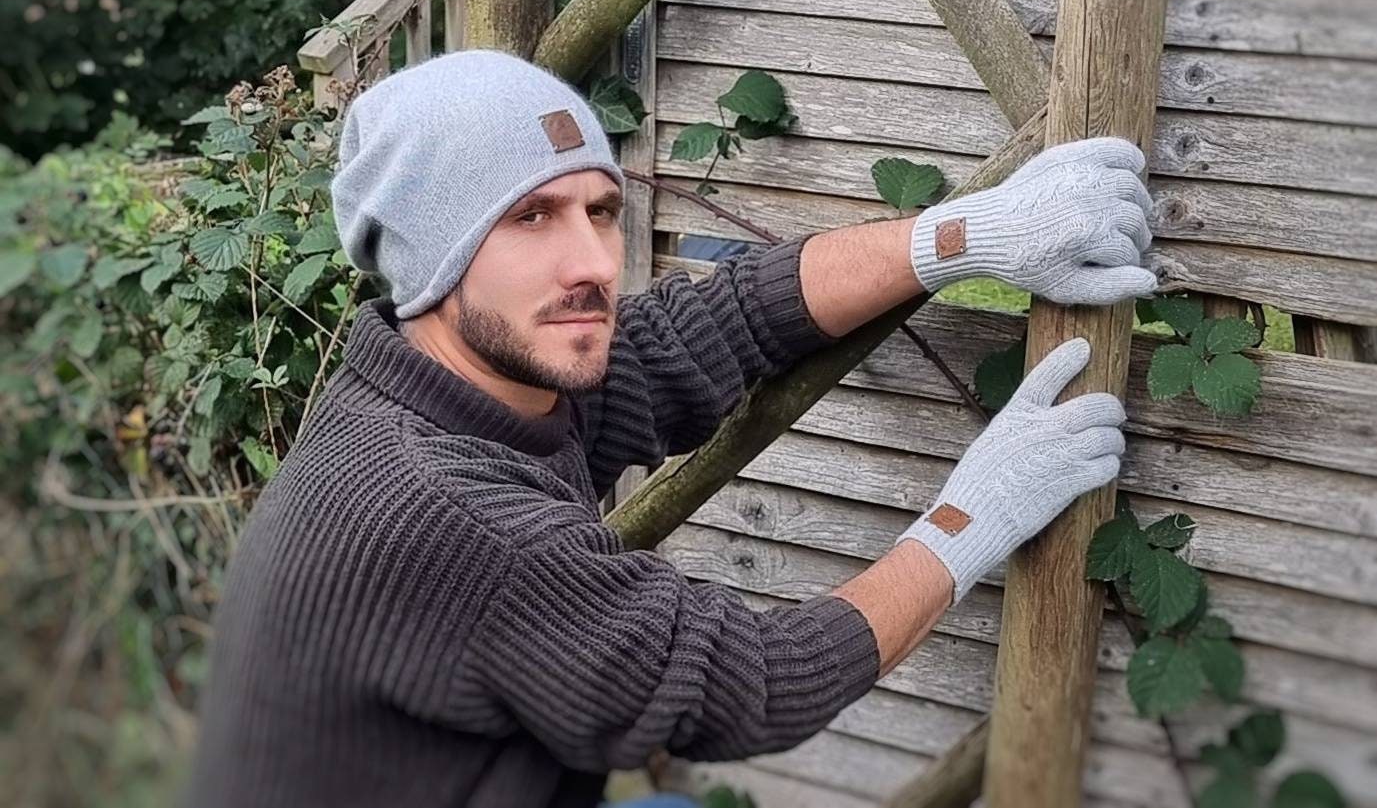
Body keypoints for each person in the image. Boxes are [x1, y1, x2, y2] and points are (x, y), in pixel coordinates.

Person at [183, 48, 1157, 808]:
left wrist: (963, 238)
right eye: (530, 218)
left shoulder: (441, 384)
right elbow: (757, 687)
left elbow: (719, 322)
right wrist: (970, 517)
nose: (593, 261)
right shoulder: (451, 516)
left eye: (600, 211)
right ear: (433, 257)